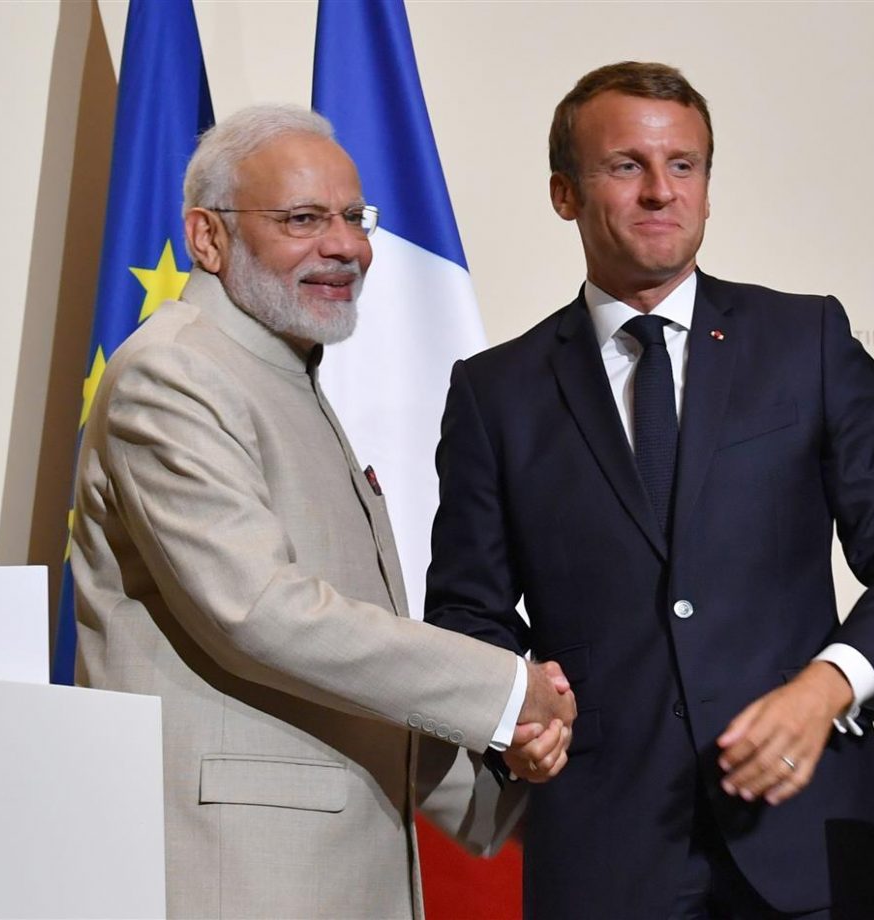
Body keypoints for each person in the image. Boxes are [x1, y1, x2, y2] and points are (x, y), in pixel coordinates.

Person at [425, 62, 874, 919]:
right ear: (565, 193)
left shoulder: (806, 341)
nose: (660, 192)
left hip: (808, 837)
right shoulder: (498, 392)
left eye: (685, 165)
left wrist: (827, 689)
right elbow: (466, 610)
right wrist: (517, 716)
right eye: (626, 166)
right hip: (604, 855)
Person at [70, 104, 574, 920]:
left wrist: (497, 806)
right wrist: (506, 690)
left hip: (336, 868)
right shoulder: (176, 376)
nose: (345, 245)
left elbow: (344, 668)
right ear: (207, 239)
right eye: (303, 219)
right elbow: (264, 614)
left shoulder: (282, 369)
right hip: (240, 877)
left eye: (352, 216)